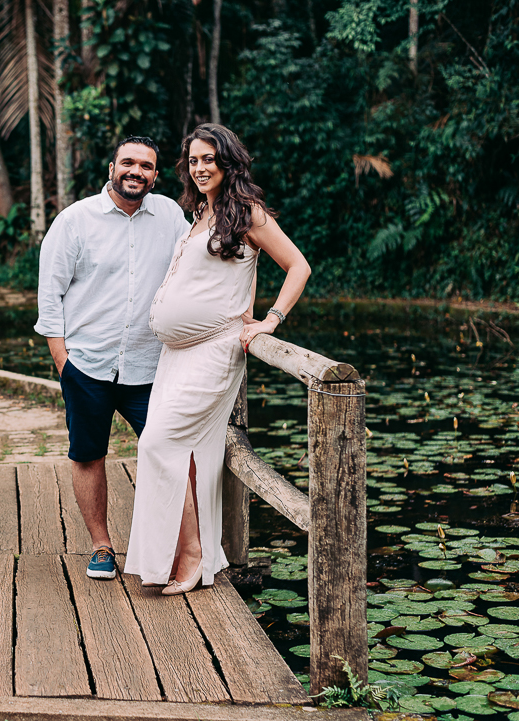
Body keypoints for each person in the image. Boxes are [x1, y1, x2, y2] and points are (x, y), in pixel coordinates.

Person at [125, 124, 311, 595]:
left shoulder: (247, 213)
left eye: (208, 158)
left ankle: (191, 557)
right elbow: (230, 277)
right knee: (182, 456)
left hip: (214, 351)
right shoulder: (201, 214)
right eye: (193, 160)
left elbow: (298, 266)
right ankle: (187, 555)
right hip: (176, 355)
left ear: (228, 161)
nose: (200, 167)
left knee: (156, 444)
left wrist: (269, 320)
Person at [35, 136, 191, 580]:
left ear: (156, 176)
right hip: (87, 364)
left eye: (146, 166)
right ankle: (102, 547)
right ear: (111, 168)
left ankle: (180, 549)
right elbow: (51, 298)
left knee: (169, 453)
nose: (135, 171)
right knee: (89, 455)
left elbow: (195, 270)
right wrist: (64, 364)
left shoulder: (170, 218)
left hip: (151, 366)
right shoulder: (74, 221)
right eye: (128, 163)